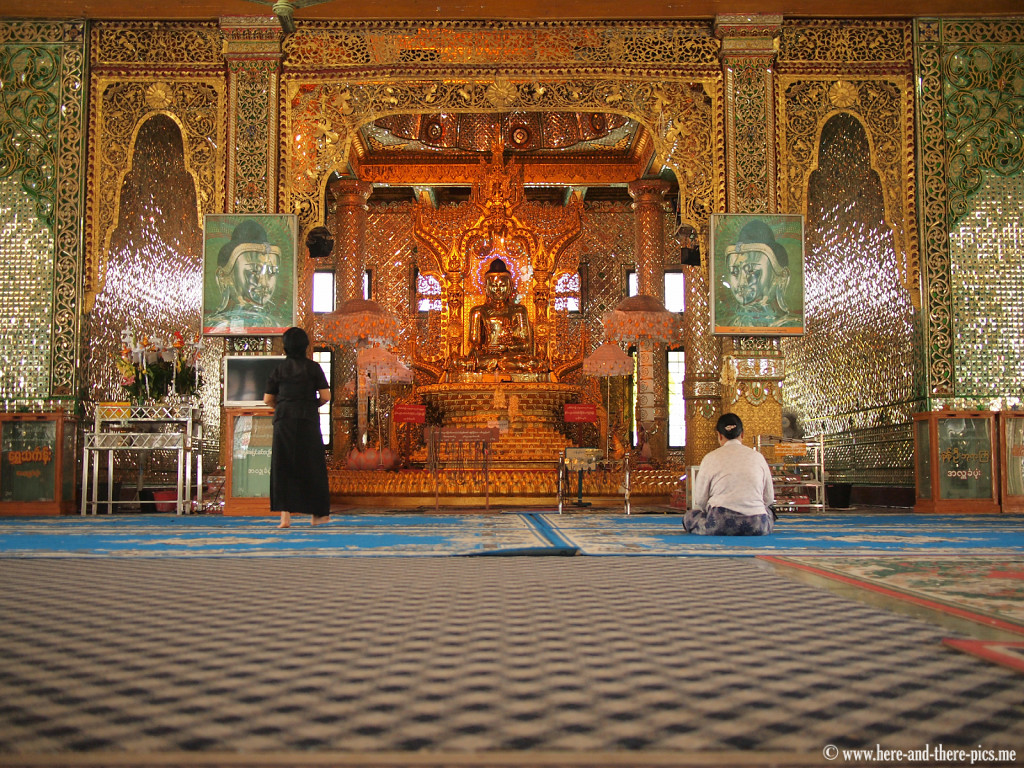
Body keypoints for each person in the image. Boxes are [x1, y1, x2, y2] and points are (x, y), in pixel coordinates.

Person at [263, 327, 331, 529]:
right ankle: (317, 515)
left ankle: (285, 517)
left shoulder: (279, 369)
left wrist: (283, 407)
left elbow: (268, 399)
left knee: (283, 465)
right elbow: (326, 396)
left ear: (285, 347)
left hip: (284, 419)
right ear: (305, 346)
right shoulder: (313, 368)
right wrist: (311, 405)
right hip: (307, 418)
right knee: (312, 465)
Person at [449, 258, 547, 374]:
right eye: (494, 285)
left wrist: (506, 348)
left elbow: (525, 345)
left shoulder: (518, 310)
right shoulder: (478, 311)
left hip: (511, 358)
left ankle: (498, 364)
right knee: (456, 363)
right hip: (487, 358)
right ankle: (497, 364)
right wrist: (474, 355)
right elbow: (474, 345)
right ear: (486, 288)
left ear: (510, 287)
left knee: (535, 363)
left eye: (502, 285)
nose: (498, 290)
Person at [684, 413, 775, 535]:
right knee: (770, 512)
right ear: (742, 434)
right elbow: (769, 498)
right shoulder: (758, 457)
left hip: (719, 523)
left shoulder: (710, 458)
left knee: (689, 516)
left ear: (719, 435)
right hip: (757, 524)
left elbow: (700, 500)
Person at [207, 219, 289, 333]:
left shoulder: (279, 327)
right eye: (254, 271)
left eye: (272, 273)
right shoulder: (217, 328)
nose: (264, 283)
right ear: (223, 276)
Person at [719, 219, 800, 329]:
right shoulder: (727, 327)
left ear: (782, 276)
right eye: (734, 272)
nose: (741, 283)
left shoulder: (792, 327)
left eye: (751, 271)